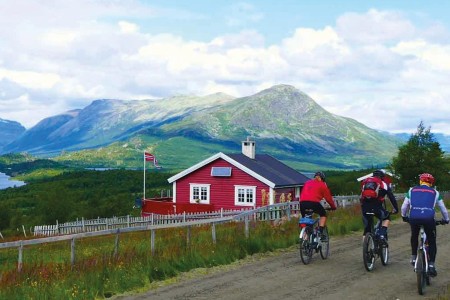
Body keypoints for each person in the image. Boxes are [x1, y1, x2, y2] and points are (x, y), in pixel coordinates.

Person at [401, 173, 449, 277]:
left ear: (420, 181)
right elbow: (443, 209)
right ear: (431, 183)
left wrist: (404, 216)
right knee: (431, 240)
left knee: (414, 235)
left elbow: (404, 206)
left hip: (414, 217)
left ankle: (414, 257)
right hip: (428, 219)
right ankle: (431, 265)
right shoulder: (435, 192)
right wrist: (446, 219)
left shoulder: (411, 190)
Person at [360, 169, 399, 242]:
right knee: (386, 217)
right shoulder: (383, 184)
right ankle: (381, 234)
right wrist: (396, 209)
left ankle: (365, 248)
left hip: (365, 207)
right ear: (382, 177)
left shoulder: (365, 183)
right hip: (377, 207)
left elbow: (361, 197)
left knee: (367, 229)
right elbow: (391, 198)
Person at [300, 171, 337, 240]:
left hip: (302, 203)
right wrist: (333, 207)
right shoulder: (322, 185)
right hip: (314, 203)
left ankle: (305, 238)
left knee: (305, 218)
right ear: (322, 179)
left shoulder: (307, 183)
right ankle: (320, 232)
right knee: (323, 215)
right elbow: (329, 198)